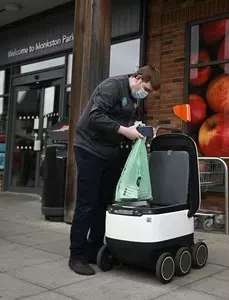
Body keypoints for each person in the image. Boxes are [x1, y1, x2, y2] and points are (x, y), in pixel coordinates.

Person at [68, 65, 161, 275]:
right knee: (87, 203)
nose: (145, 94)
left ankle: (94, 250)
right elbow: (95, 116)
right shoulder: (112, 87)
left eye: (148, 93)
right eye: (145, 89)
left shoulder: (134, 98)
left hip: (109, 152)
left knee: (104, 203)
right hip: (88, 148)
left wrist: (140, 129)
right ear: (138, 78)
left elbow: (125, 124)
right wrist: (124, 130)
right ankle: (77, 255)